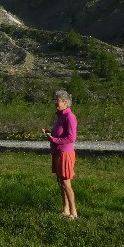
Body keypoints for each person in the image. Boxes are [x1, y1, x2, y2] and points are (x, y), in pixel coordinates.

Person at [42, 90, 77, 218]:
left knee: (66, 183)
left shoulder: (70, 117)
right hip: (57, 152)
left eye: (58, 100)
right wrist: (49, 133)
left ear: (66, 103)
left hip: (65, 153)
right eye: (55, 100)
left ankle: (74, 212)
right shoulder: (60, 117)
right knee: (60, 182)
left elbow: (71, 138)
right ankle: (65, 209)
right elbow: (59, 133)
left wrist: (54, 139)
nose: (56, 102)